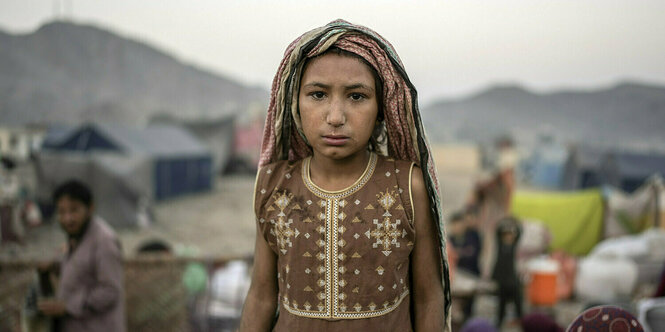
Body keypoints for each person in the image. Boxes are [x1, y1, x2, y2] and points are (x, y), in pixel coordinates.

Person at [238, 19, 451, 331]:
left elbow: (428, 297)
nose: (335, 117)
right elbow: (260, 296)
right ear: (294, 103)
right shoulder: (273, 185)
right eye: (318, 94)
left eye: (356, 96)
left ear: (382, 108)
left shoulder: (407, 185)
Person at [38, 180, 125, 332]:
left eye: (74, 210)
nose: (67, 218)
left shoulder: (104, 242)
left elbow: (110, 291)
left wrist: (68, 307)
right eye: (62, 212)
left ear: (90, 208)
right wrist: (55, 267)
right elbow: (82, 270)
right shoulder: (75, 237)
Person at [448, 208, 481, 322]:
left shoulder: (472, 236)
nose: (456, 227)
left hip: (471, 274)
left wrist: (458, 253)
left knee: (469, 306)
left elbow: (472, 254)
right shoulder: (450, 239)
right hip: (457, 276)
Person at [491, 215, 523, 327]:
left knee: (518, 302)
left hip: (512, 282)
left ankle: (521, 321)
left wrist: (515, 222)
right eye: (506, 235)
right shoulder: (501, 246)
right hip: (502, 281)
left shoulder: (513, 247)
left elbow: (520, 232)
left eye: (510, 235)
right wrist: (503, 221)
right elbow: (497, 232)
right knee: (501, 304)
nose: (508, 237)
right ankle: (498, 324)